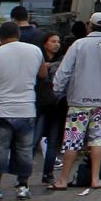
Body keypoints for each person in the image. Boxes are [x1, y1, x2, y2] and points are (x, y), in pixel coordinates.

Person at [48, 11, 101, 193]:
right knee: (97, 140)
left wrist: (57, 89)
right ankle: (95, 179)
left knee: (72, 140)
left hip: (79, 100)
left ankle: (63, 179)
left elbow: (64, 71)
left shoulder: (78, 45)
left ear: (89, 25)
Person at [0, 20, 41, 201]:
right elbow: (42, 74)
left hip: (0, 110)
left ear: (0, 37)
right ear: (18, 34)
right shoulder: (35, 51)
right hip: (26, 108)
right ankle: (23, 186)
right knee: (24, 150)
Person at [31, 29, 66, 184]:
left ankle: (48, 173)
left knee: (52, 141)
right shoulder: (37, 58)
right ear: (45, 43)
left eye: (58, 41)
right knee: (34, 139)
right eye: (53, 41)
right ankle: (24, 173)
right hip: (41, 104)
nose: (56, 44)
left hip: (56, 106)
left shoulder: (63, 60)